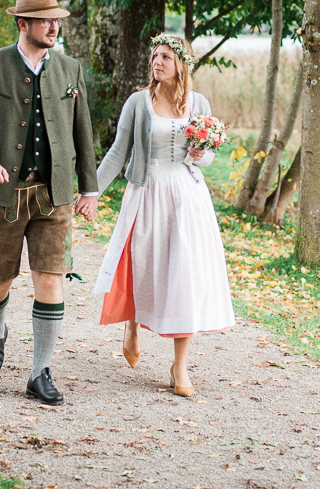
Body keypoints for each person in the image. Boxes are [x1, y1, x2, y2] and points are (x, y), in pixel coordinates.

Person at [0, 0, 99, 405]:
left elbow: (83, 130)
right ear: (23, 24)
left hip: (53, 195)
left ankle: (39, 372)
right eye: (46, 20)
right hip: (0, 196)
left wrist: (89, 187)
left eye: (57, 20)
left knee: (51, 278)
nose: (54, 26)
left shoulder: (70, 69)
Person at [92, 34, 235, 397]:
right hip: (147, 191)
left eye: (166, 57)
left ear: (181, 64)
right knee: (143, 265)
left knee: (183, 273)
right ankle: (132, 324)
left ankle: (180, 366)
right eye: (155, 55)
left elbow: (207, 155)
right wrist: (90, 191)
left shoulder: (199, 102)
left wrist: (204, 153)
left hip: (188, 196)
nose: (158, 61)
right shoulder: (139, 103)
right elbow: (117, 153)